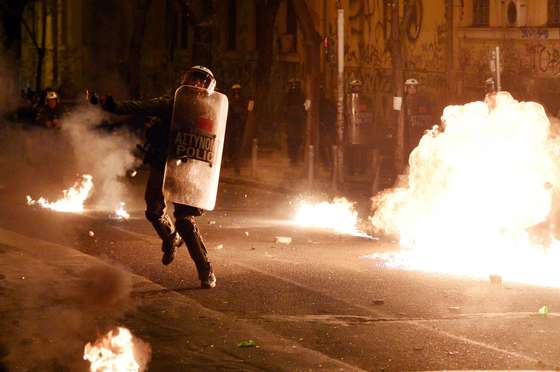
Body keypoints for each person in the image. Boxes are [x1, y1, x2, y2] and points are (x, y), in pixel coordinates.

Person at [90, 66, 218, 289]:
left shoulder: (210, 111)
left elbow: (215, 140)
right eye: (194, 80)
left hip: (191, 170)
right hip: (164, 163)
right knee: (154, 210)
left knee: (185, 221)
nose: (197, 85)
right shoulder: (171, 103)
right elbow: (140, 107)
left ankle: (206, 271)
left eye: (202, 82)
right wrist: (112, 105)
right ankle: (170, 238)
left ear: (208, 87)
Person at [281, 79, 306, 165]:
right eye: (293, 85)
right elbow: (284, 108)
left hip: (297, 121)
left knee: (296, 139)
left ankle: (294, 157)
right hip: (292, 121)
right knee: (292, 139)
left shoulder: (300, 95)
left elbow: (305, 106)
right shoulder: (289, 95)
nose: (294, 87)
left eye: (295, 85)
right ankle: (293, 157)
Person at [225, 83, 248, 175]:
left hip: (239, 126)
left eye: (238, 90)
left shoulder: (243, 100)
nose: (236, 92)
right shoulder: (230, 100)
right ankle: (230, 161)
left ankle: (237, 167)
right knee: (231, 144)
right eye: (235, 90)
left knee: (238, 146)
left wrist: (242, 118)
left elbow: (246, 111)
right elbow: (229, 111)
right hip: (232, 126)